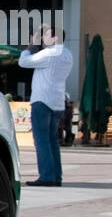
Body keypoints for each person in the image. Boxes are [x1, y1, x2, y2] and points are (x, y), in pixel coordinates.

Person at [18, 24, 73, 187]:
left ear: (55, 38)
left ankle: (47, 176)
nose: (43, 38)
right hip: (57, 101)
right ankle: (56, 176)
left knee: (41, 140)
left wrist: (30, 46)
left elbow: (23, 61)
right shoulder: (68, 54)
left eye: (46, 35)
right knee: (52, 141)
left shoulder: (49, 54)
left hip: (42, 100)